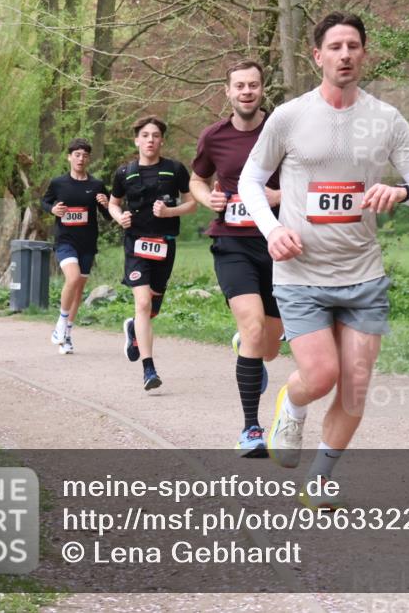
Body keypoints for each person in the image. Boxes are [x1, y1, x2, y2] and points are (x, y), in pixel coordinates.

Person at [239, 11, 409, 509]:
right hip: (300, 272)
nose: (345, 54)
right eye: (335, 47)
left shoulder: (386, 119)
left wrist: (400, 191)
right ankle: (294, 399)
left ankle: (321, 477)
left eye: (353, 45)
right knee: (322, 375)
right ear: (318, 56)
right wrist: (273, 229)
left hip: (363, 274)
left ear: (364, 54)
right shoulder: (288, 117)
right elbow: (248, 181)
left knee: (354, 384)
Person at [190, 60, 284, 457]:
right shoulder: (214, 137)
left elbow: (306, 178)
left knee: (271, 345)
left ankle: (249, 345)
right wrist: (204, 196)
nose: (246, 91)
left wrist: (279, 197)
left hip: (279, 244)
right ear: (227, 92)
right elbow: (196, 178)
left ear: (262, 90)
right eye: (239, 86)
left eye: (253, 85)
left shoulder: (281, 131)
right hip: (232, 242)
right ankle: (251, 430)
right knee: (252, 328)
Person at [108, 116, 196, 390]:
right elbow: (113, 203)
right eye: (145, 135)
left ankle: (134, 328)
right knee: (143, 303)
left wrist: (171, 212)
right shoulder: (125, 173)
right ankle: (149, 369)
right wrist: (118, 216)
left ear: (161, 141)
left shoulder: (175, 169)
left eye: (155, 135)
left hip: (164, 244)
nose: (150, 140)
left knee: (152, 307)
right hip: (136, 245)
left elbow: (193, 202)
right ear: (136, 140)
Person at [41, 138, 110, 354]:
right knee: (72, 278)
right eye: (77, 155)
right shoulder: (58, 183)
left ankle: (67, 335)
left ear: (89, 159)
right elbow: (45, 202)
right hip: (65, 240)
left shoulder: (96, 185)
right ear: (69, 157)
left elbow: (108, 216)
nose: (81, 159)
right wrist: (52, 210)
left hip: (87, 243)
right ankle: (61, 323)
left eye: (85, 155)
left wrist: (107, 205)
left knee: (78, 288)